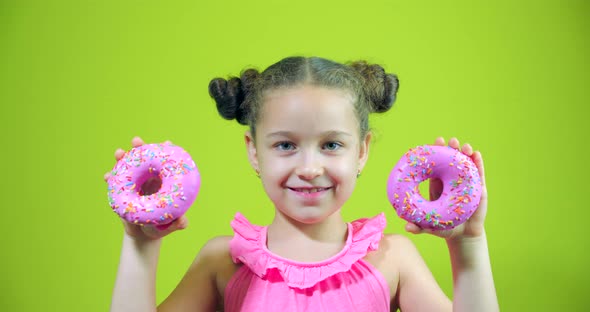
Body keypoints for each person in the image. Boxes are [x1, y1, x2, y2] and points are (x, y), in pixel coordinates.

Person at [107, 56, 499, 312]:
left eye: (331, 144)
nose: (309, 167)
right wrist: (140, 244)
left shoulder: (392, 259)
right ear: (254, 152)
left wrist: (467, 243)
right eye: (285, 145)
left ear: (361, 151)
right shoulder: (225, 262)